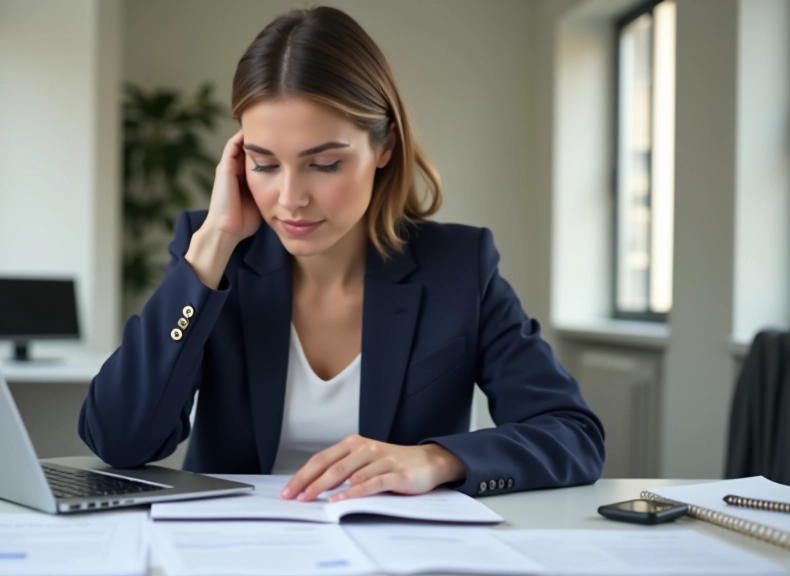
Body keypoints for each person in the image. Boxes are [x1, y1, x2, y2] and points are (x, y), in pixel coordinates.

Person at [79, 6, 605, 503]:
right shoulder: (213, 255)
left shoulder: (459, 266)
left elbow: (573, 435)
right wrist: (212, 245)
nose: (290, 199)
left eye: (324, 164)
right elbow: (120, 439)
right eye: (264, 164)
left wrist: (437, 459)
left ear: (385, 147)